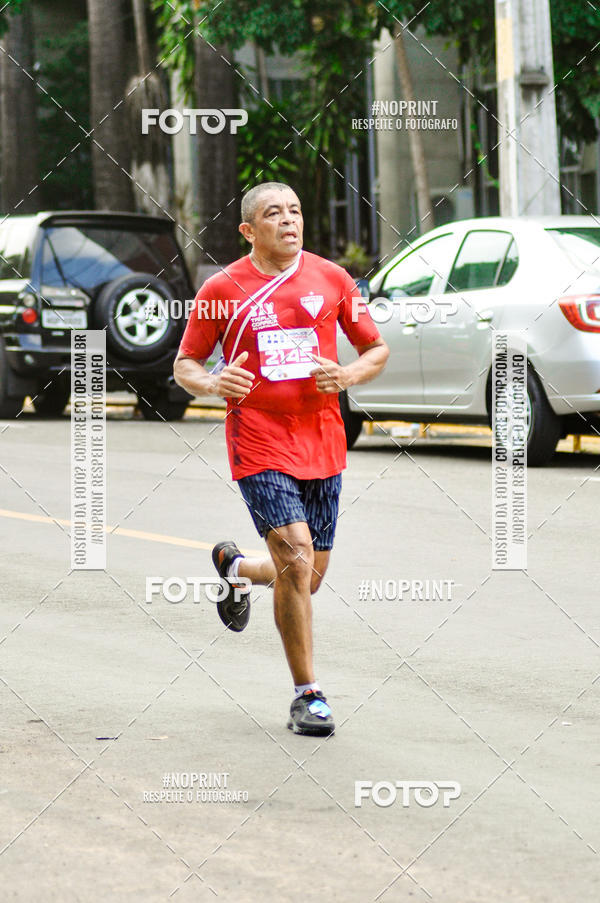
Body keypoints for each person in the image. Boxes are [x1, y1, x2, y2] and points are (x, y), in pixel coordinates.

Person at [173, 182, 388, 736]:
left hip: (322, 439)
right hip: (259, 439)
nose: (289, 221)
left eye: (295, 211)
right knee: (295, 557)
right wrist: (214, 382)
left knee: (308, 576)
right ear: (249, 230)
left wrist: (347, 375)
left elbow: (375, 348)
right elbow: (186, 364)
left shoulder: (332, 278)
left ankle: (235, 568)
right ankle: (307, 695)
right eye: (274, 214)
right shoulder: (222, 289)